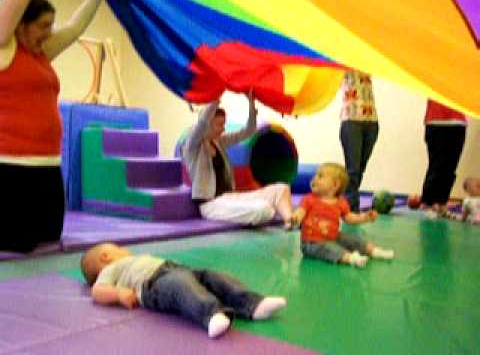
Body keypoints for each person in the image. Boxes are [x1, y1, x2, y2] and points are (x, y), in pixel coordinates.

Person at [0, 0, 103, 252]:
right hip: (12, 172)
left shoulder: (41, 52)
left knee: (49, 246)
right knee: (14, 251)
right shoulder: (4, 48)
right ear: (20, 24)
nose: (49, 33)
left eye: (51, 26)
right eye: (43, 25)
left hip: (49, 170)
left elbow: (76, 26)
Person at [81, 242, 287, 338]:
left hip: (176, 269)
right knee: (182, 286)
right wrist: (118, 294)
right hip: (154, 285)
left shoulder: (131, 259)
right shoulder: (111, 268)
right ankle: (211, 315)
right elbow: (97, 291)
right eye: (116, 247)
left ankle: (253, 304)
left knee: (211, 276)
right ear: (106, 256)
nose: (122, 248)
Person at [182, 92, 294, 227]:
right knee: (262, 209)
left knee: (281, 189)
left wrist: (251, 104)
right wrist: (216, 94)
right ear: (208, 125)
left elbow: (248, 131)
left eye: (224, 124)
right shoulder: (192, 146)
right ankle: (269, 211)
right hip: (211, 204)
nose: (223, 129)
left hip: (230, 197)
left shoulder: (219, 142)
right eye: (220, 125)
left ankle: (290, 220)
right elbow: (202, 122)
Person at [290, 163, 394, 268]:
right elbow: (300, 212)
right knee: (330, 249)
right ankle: (350, 258)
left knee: (354, 240)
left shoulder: (341, 202)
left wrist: (364, 217)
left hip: (333, 236)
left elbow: (349, 218)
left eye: (320, 176)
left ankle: (374, 251)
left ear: (335, 185)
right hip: (312, 243)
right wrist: (295, 217)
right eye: (316, 175)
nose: (314, 178)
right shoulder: (309, 199)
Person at [339, 70, 379, 212]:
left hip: (371, 120)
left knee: (360, 168)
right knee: (353, 169)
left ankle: (347, 200)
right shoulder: (343, 64)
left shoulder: (367, 63)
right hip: (351, 120)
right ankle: (350, 206)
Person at [420, 99, 467, 219]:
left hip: (458, 122)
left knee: (450, 168)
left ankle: (442, 204)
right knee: (436, 165)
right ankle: (428, 204)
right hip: (436, 121)